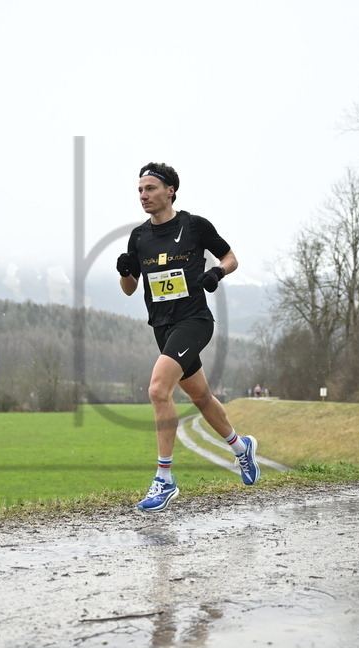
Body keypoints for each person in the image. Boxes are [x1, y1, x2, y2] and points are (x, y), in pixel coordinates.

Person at [117, 162, 259, 511]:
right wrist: (124, 272)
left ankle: (164, 480)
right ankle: (242, 448)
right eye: (139, 190)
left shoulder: (194, 225)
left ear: (170, 191)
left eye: (150, 188)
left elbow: (231, 257)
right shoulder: (139, 237)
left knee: (156, 389)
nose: (143, 196)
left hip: (194, 320)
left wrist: (216, 273)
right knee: (201, 397)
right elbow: (129, 289)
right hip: (163, 327)